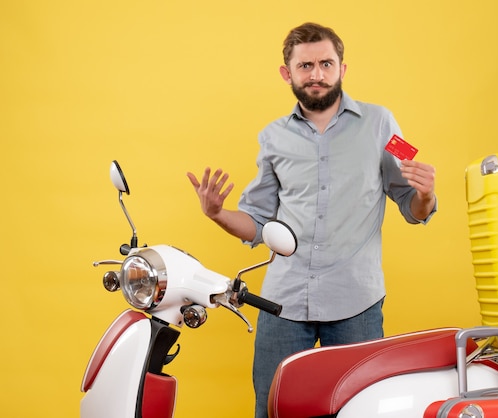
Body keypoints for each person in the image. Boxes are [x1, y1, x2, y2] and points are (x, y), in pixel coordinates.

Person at [187, 22, 437, 418]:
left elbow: (410, 204)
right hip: (282, 305)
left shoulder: (382, 124)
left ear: (342, 69)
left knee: (364, 410)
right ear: (288, 73)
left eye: (326, 63)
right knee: (273, 409)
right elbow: (257, 222)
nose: (316, 74)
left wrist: (425, 194)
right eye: (305, 66)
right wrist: (218, 214)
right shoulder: (272, 137)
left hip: (357, 302)